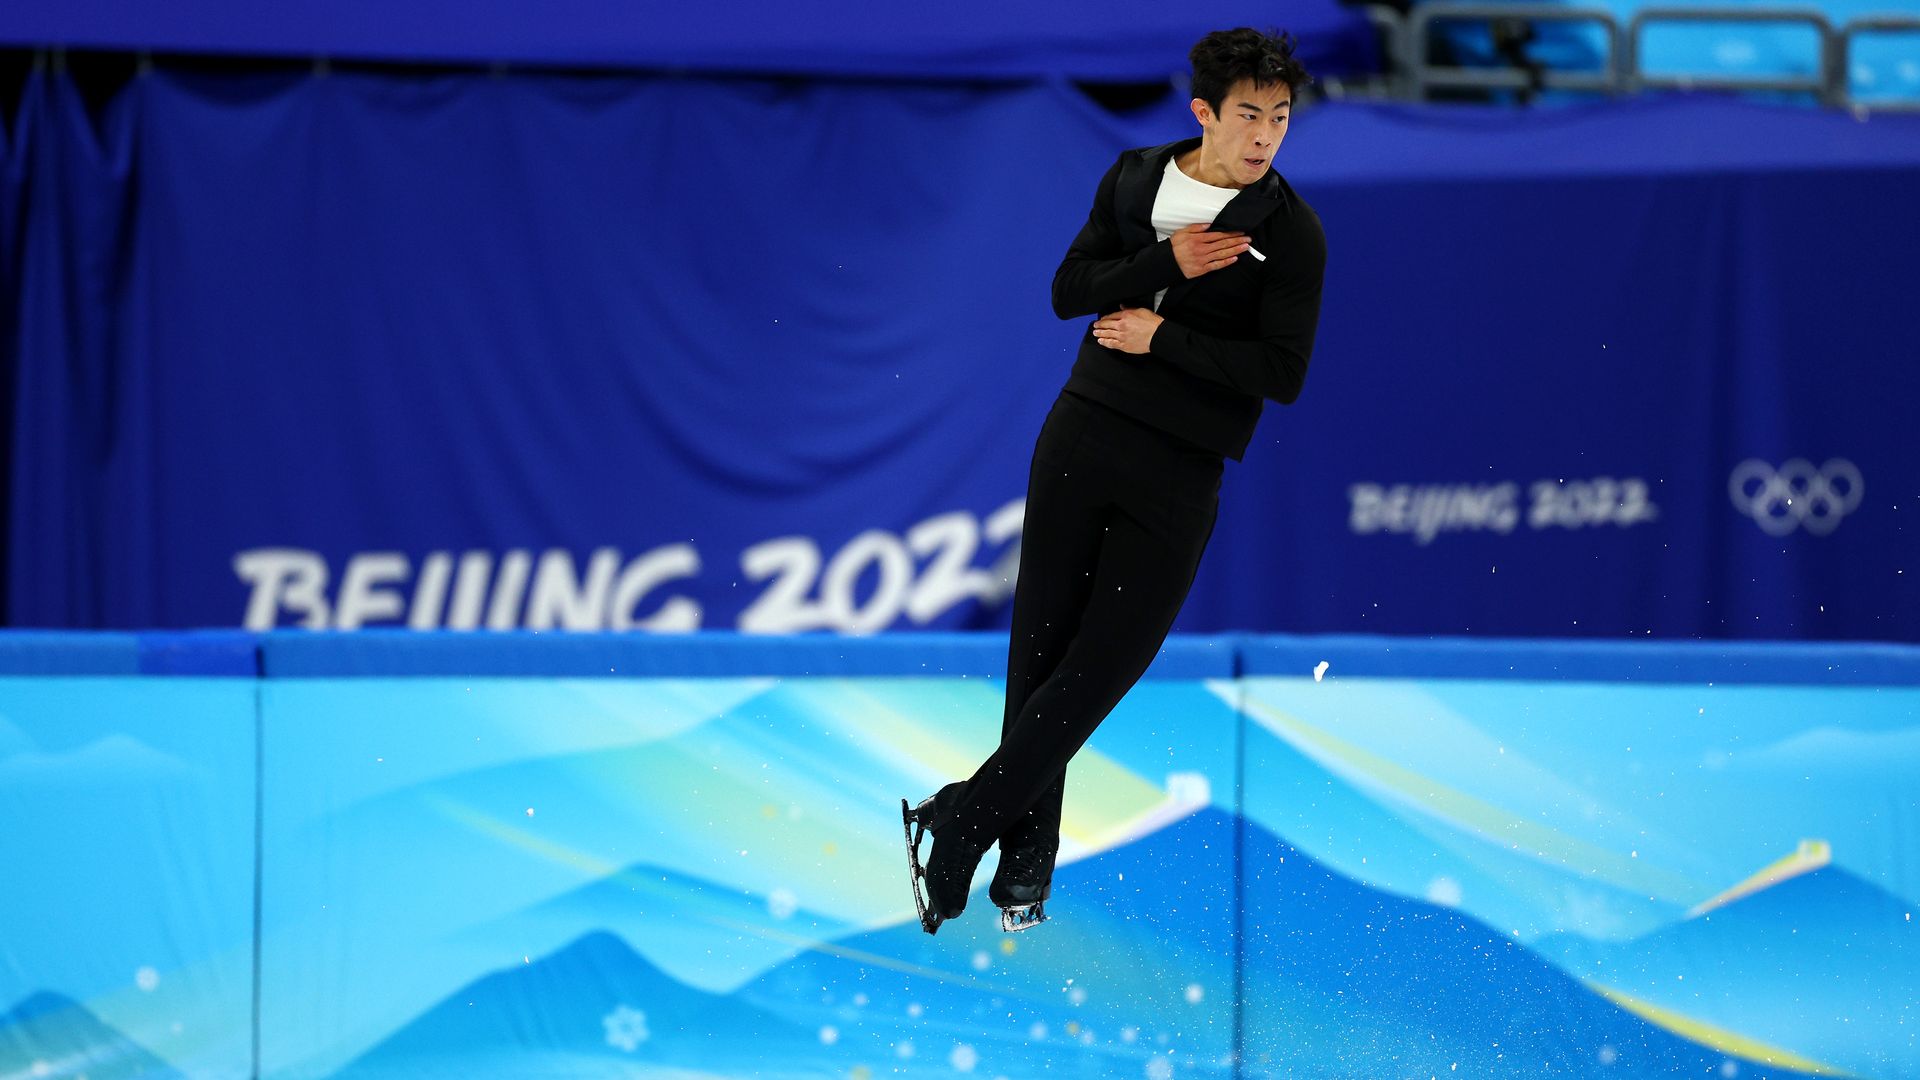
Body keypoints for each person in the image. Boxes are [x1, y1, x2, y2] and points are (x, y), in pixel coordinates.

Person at [903, 27, 1327, 935]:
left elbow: (1282, 374)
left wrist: (1163, 336)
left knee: (1102, 668)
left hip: (1181, 466)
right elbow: (1069, 290)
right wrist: (1167, 264)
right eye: (1248, 114)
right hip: (1084, 431)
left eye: (1281, 117)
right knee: (1040, 657)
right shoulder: (1136, 178)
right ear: (1204, 112)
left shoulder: (1292, 233)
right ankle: (1025, 871)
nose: (1265, 136)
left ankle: (962, 821)